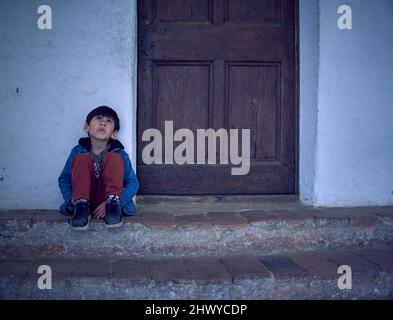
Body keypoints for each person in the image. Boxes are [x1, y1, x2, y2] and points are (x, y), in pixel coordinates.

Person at [58, 106, 139, 230]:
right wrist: (70, 198)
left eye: (108, 121)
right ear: (87, 127)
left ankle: (113, 204)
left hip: (110, 201)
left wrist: (114, 202)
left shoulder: (120, 155)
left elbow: (133, 183)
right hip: (82, 200)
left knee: (114, 158)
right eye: (99, 118)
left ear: (114, 134)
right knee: (81, 158)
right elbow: (64, 179)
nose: (103, 123)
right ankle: (81, 206)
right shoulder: (77, 152)